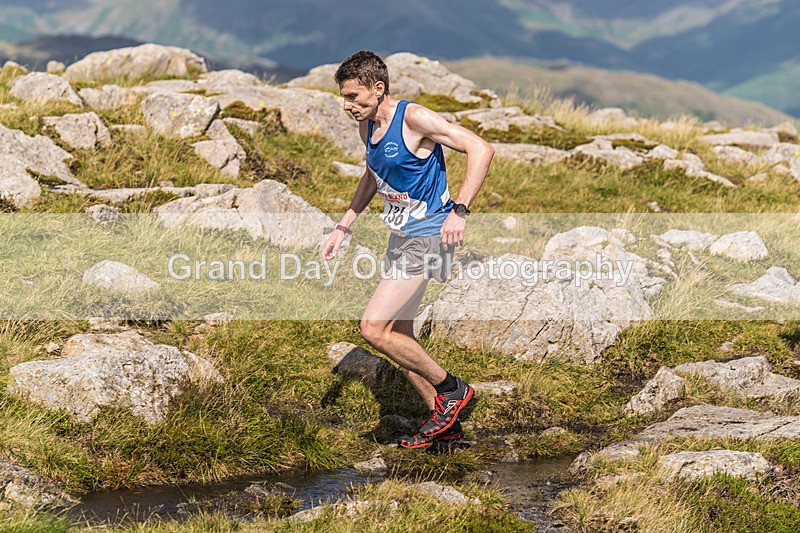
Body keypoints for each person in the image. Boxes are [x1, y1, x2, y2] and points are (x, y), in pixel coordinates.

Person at [321, 50, 494, 449]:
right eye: (344, 98)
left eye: (354, 96)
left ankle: (453, 390)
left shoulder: (414, 118)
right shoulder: (367, 127)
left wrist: (460, 210)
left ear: (378, 89)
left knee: (373, 328)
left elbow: (481, 149)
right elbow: (373, 174)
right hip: (401, 235)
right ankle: (445, 427)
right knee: (399, 332)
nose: (348, 105)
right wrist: (344, 224)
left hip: (430, 235)